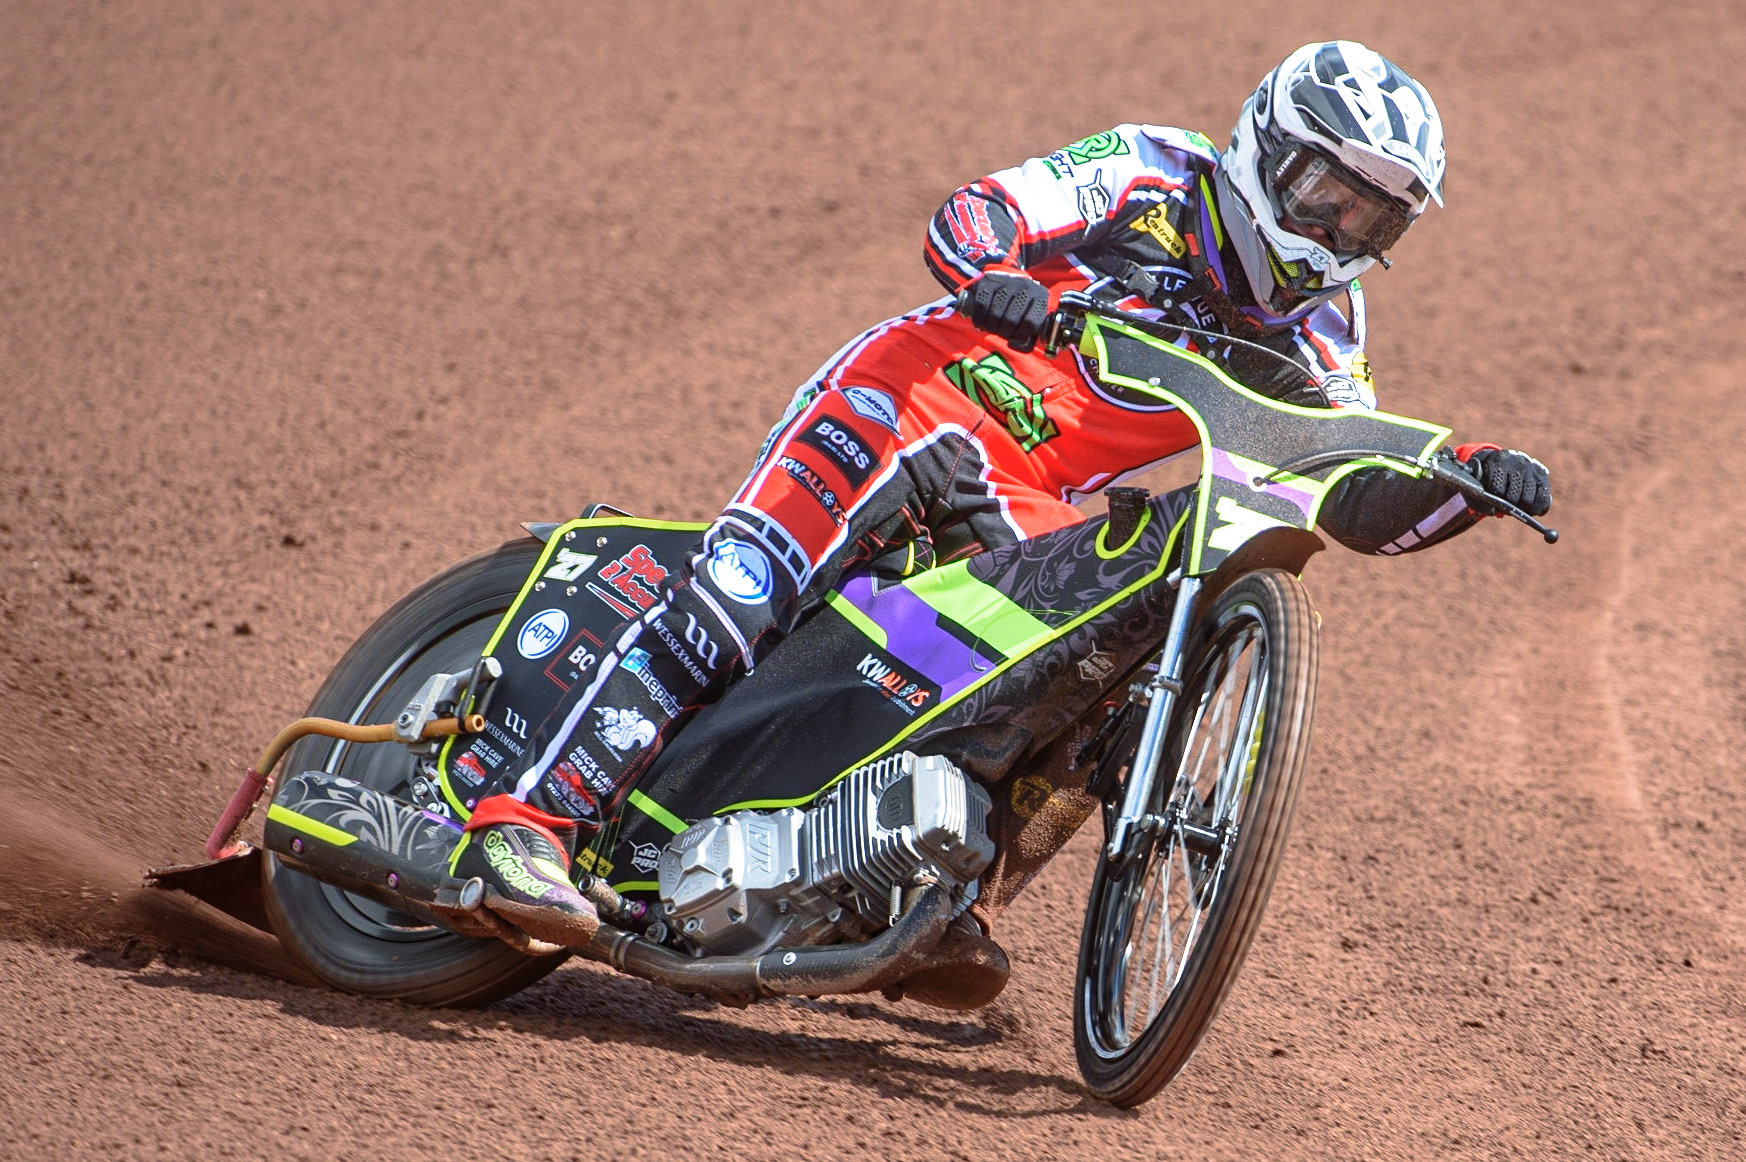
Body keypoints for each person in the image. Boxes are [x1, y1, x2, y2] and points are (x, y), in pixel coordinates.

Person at [450, 40, 1553, 945]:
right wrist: (1000, 278)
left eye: (1375, 220)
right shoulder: (1153, 170)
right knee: (738, 593)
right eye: (1329, 195)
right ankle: (519, 822)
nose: (1342, 233)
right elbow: (975, 213)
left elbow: (1343, 482)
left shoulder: (1325, 328)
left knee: (1095, 669)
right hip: (913, 400)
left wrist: (1465, 483)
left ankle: (947, 900)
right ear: (1269, 147)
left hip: (1028, 492)